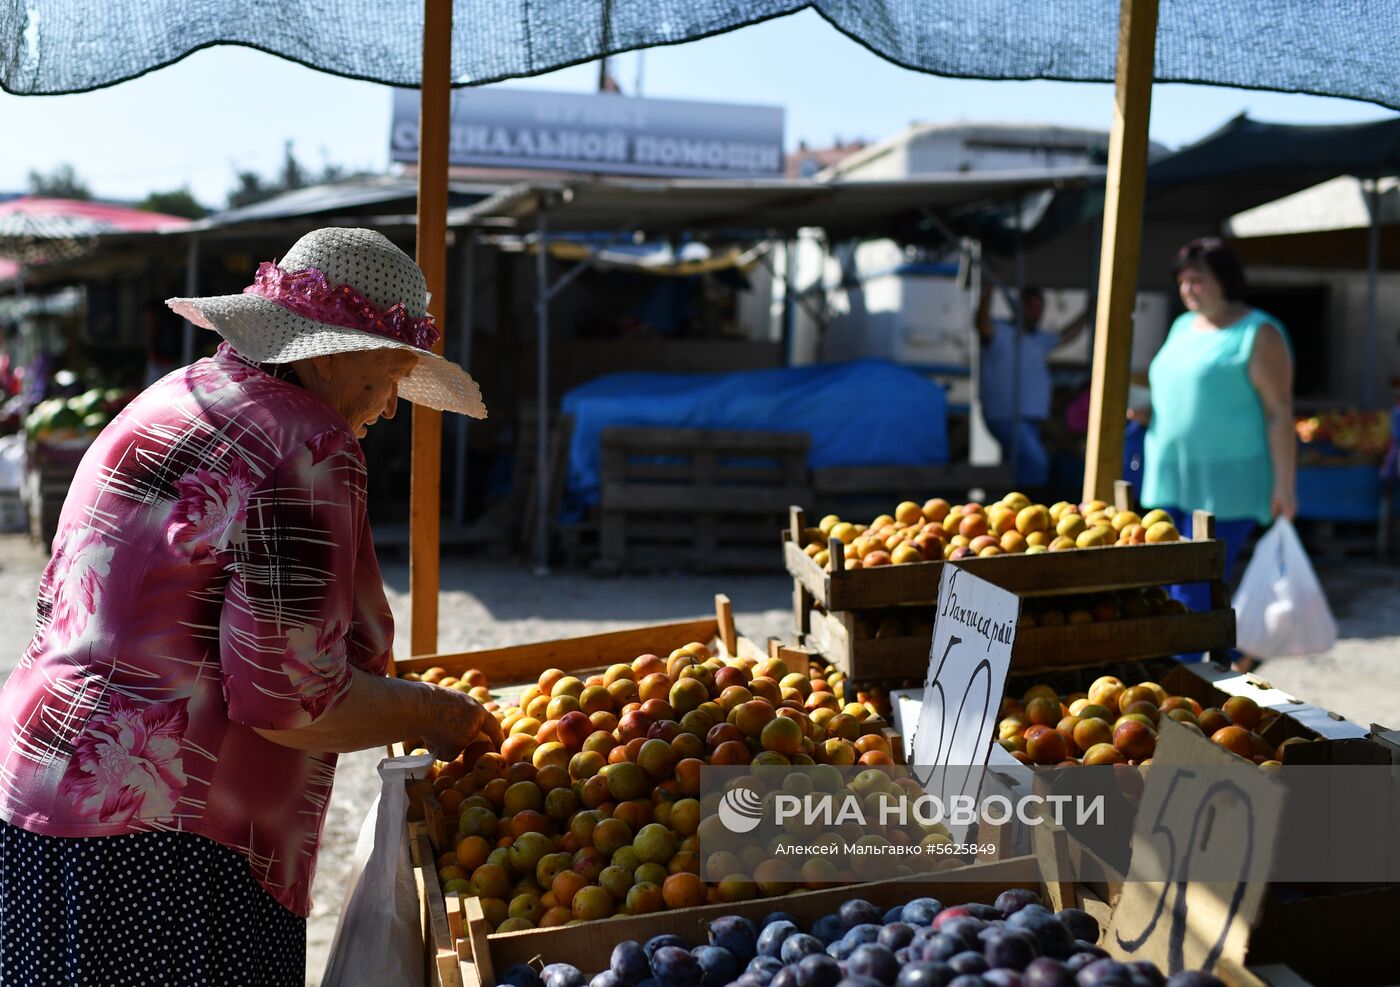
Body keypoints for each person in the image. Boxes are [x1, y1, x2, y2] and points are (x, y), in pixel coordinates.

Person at [0, 228, 498, 985]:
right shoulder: (308, 439)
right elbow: (291, 702)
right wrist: (432, 713)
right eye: (392, 372)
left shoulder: (177, 395)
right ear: (330, 353)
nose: (393, 406)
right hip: (166, 841)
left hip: (39, 789)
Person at [1136, 238, 1296, 667]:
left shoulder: (1257, 333)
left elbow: (1280, 413)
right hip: (1170, 477)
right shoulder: (1182, 326)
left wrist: (1286, 485)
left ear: (1224, 279)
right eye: (1183, 280)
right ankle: (1200, 671)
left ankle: (1179, 687)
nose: (1188, 288)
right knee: (1169, 588)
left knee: (1192, 589)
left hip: (1228, 485)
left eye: (1198, 279)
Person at [975, 281, 1090, 488]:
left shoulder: (1039, 339)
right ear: (1020, 306)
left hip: (1031, 418)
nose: (1036, 312)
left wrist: (1088, 312)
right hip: (1007, 416)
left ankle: (1009, 508)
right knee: (1036, 463)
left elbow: (1066, 336)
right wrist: (988, 292)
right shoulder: (1002, 332)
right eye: (1031, 306)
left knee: (1017, 466)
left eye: (1039, 307)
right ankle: (1028, 510)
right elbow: (982, 324)